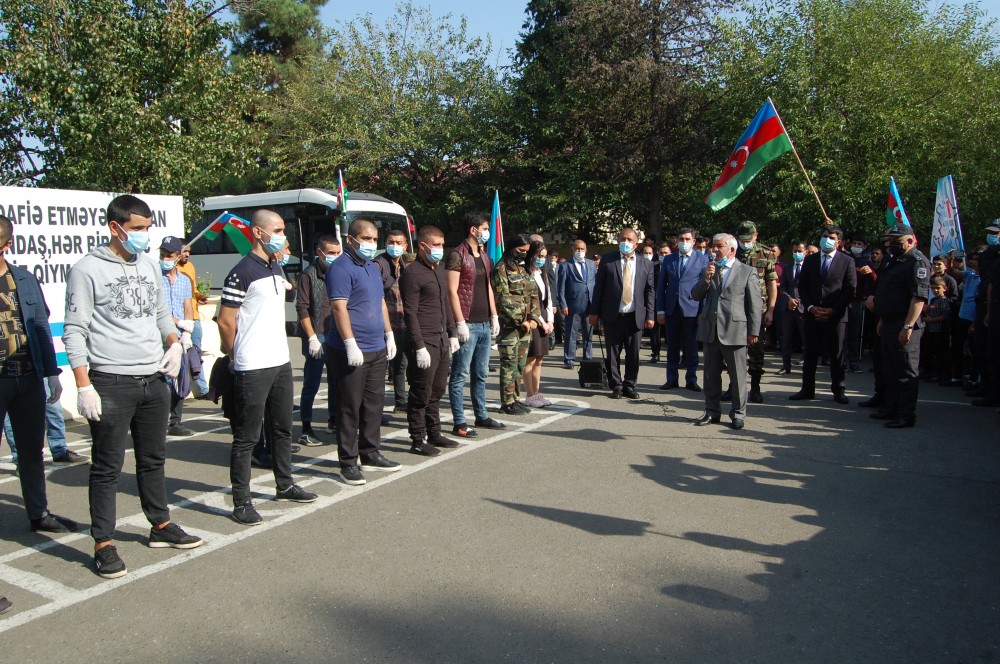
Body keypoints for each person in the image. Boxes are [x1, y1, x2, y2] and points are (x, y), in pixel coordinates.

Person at [63, 195, 202, 579]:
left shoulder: (148, 265)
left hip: (153, 378)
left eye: (147, 228)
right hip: (110, 381)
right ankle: (104, 543)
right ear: (116, 227)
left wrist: (174, 342)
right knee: (107, 467)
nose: (144, 236)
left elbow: (160, 313)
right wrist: (84, 385)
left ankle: (160, 524)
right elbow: (75, 331)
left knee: (153, 459)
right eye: (138, 228)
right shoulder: (87, 270)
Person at [216, 209, 318, 525]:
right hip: (252, 365)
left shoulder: (275, 267)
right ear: (258, 233)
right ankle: (242, 502)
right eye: (277, 230)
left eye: (283, 230)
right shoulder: (241, 272)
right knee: (247, 437)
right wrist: (235, 354)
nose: (282, 236)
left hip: (280, 362)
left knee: (282, 428)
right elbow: (225, 319)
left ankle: (284, 485)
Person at [0, 214, 78, 537]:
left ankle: (39, 513)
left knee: (32, 451)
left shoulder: (25, 280)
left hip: (28, 377)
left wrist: (51, 373)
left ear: (6, 245)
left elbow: (41, 327)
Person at [326, 218, 402, 485]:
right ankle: (348, 461)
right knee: (350, 406)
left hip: (376, 348)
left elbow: (380, 302)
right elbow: (338, 307)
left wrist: (389, 333)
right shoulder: (341, 268)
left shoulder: (372, 267)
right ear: (351, 240)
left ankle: (370, 452)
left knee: (374, 403)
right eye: (365, 238)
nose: (370, 244)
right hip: (352, 349)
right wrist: (350, 343)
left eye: (373, 239)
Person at [691, 233, 762, 430]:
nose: (714, 250)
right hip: (710, 329)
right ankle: (712, 411)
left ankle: (738, 414)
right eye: (713, 246)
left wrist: (754, 330)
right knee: (710, 375)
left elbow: (755, 304)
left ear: (731, 249)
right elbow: (695, 295)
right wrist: (706, 278)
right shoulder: (709, 269)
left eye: (718, 246)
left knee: (738, 376)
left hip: (735, 330)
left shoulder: (747, 271)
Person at [400, 225, 460, 456]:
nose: (440, 249)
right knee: (420, 392)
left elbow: (445, 302)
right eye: (435, 245)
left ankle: (434, 432)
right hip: (424, 340)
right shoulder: (412, 273)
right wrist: (419, 346)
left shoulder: (439, 269)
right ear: (423, 246)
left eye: (442, 245)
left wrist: (453, 332)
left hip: (441, 338)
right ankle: (417, 439)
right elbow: (410, 312)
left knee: (437, 389)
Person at [446, 213, 505, 437]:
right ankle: (460, 422)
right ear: (473, 230)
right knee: (460, 374)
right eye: (484, 228)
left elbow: (488, 287)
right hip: (467, 323)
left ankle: (481, 415)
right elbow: (452, 290)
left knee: (480, 373)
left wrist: (494, 315)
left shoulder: (485, 257)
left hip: (484, 323)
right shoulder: (457, 255)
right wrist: (459, 322)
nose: (487, 232)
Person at [870, 223, 930, 428]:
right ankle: (891, 408)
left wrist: (908, 326)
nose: (891, 245)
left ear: (911, 240)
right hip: (888, 322)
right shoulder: (893, 260)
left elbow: (918, 298)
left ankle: (905, 415)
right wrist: (882, 319)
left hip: (904, 323)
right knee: (889, 369)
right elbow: (886, 293)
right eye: (890, 241)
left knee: (905, 371)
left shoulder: (917, 262)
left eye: (897, 241)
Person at [789, 226, 856, 404]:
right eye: (824, 236)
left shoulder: (847, 261)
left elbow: (850, 289)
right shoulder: (810, 260)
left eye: (831, 237)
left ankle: (838, 389)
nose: (827, 239)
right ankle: (807, 389)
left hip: (836, 315)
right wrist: (810, 307)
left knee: (836, 353)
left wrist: (833, 310)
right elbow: (802, 286)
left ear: (838, 241)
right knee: (810, 353)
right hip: (812, 314)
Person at [589, 227, 655, 400]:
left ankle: (629, 385)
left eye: (629, 240)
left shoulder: (645, 263)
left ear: (636, 243)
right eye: (622, 239)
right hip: (613, 315)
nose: (625, 242)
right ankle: (616, 385)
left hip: (635, 315)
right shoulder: (608, 260)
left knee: (633, 354)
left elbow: (649, 291)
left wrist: (650, 315)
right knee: (613, 353)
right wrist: (594, 312)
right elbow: (599, 287)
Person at [296, 235, 341, 445]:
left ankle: (333, 419)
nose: (335, 257)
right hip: (317, 335)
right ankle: (306, 427)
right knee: (312, 383)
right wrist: (312, 337)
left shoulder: (338, 272)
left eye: (338, 253)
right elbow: (302, 308)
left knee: (336, 380)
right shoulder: (309, 275)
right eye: (331, 253)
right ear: (319, 252)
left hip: (336, 334)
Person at [656, 227, 709, 391]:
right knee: (672, 346)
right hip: (672, 309)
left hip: (692, 309)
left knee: (691, 347)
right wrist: (660, 310)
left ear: (693, 242)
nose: (684, 242)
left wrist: (702, 311)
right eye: (681, 239)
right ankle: (671, 379)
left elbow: (705, 287)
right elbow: (661, 286)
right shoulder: (669, 259)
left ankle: (691, 379)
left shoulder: (702, 259)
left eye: (687, 239)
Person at [493, 234, 541, 415]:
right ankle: (507, 402)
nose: (523, 254)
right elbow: (503, 299)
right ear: (512, 247)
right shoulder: (501, 270)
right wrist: (521, 321)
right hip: (509, 327)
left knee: (520, 365)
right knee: (509, 365)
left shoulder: (524, 271)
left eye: (526, 252)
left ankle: (515, 398)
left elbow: (534, 295)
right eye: (520, 250)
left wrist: (533, 319)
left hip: (526, 327)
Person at [733, 221, 777, 403]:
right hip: (735, 309)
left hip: (757, 310)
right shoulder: (732, 252)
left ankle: (756, 388)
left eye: (748, 238)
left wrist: (771, 310)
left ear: (755, 235)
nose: (745, 242)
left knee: (756, 350)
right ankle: (733, 388)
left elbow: (771, 283)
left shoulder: (765, 253)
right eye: (741, 238)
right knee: (734, 351)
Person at [158, 236, 196, 437]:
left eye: (169, 255)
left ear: (178, 256)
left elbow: (187, 306)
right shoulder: (154, 277)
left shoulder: (184, 280)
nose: (165, 259)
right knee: (162, 380)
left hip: (181, 337)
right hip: (161, 337)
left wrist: (187, 329)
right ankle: (159, 421)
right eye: (162, 255)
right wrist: (178, 322)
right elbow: (158, 310)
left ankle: (175, 421)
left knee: (181, 379)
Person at [375, 230, 409, 415]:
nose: (394, 246)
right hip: (383, 327)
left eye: (398, 242)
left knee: (400, 365)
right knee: (379, 370)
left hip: (402, 324)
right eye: (391, 241)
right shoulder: (379, 264)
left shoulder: (404, 266)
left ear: (405, 246)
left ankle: (401, 401)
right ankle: (375, 411)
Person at [5, 392, 88, 468]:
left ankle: (60, 453)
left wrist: (53, 377)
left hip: (40, 376)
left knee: (53, 406)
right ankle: (21, 459)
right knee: (11, 411)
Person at [524, 240, 556, 407]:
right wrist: (542, 322)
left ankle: (537, 392)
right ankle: (530, 395)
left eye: (544, 257)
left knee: (539, 358)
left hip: (544, 317)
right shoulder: (526, 272)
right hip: (534, 319)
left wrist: (550, 320)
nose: (541, 259)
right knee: (530, 358)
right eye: (539, 256)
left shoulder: (542, 272)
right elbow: (530, 303)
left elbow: (548, 298)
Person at [176, 245, 210, 397]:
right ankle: (178, 391)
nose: (187, 254)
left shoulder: (190, 266)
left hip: (194, 317)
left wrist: (199, 296)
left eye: (189, 251)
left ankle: (203, 389)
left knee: (197, 353)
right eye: (184, 251)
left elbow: (193, 290)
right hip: (179, 319)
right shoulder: (170, 269)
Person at [557, 238, 596, 369]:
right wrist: (563, 304)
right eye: (577, 249)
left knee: (588, 333)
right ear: (572, 250)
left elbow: (594, 284)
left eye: (582, 249)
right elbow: (560, 288)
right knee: (571, 334)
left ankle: (587, 357)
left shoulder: (591, 264)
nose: (579, 251)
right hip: (572, 305)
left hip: (589, 304)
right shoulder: (565, 266)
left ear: (586, 250)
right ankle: (569, 359)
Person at [846, 234, 877, 373]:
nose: (857, 246)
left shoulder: (867, 263)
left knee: (854, 333)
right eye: (855, 243)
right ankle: (839, 360)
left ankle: (853, 361)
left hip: (858, 301)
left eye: (860, 244)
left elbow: (875, 282)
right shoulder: (845, 258)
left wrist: (871, 273)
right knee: (841, 332)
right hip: (843, 300)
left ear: (864, 247)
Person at [778, 241, 806, 376]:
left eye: (800, 251)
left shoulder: (809, 267)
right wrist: (789, 299)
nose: (797, 254)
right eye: (795, 251)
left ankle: (807, 366)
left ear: (805, 252)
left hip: (804, 308)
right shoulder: (788, 268)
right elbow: (782, 287)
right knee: (786, 339)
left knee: (806, 338)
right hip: (788, 308)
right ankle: (786, 366)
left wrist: (801, 301)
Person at [920, 277, 951, 384]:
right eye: (933, 288)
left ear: (944, 288)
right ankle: (928, 371)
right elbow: (931, 310)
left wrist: (931, 320)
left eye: (938, 288)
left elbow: (945, 316)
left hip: (939, 331)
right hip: (930, 330)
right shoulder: (933, 300)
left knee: (939, 353)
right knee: (929, 351)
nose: (935, 290)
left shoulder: (945, 301)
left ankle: (938, 373)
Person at [642, 244, 662, 362]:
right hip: (641, 300)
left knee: (656, 329)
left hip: (654, 300)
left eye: (649, 253)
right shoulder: (638, 265)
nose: (647, 255)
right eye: (645, 252)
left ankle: (657, 352)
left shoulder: (656, 267)